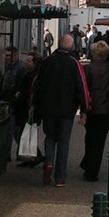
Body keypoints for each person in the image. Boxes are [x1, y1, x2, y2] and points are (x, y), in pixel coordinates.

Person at [31, 33, 89, 187]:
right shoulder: (74, 63)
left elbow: (36, 85)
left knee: (50, 137)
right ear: (71, 47)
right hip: (67, 110)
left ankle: (49, 162)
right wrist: (84, 109)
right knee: (64, 142)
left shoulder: (47, 61)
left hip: (47, 108)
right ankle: (60, 177)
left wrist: (34, 105)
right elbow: (82, 87)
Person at [79, 40, 109, 181]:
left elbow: (83, 89)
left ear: (93, 53)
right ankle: (92, 170)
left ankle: (89, 167)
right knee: (99, 139)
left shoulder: (88, 69)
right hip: (106, 109)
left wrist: (83, 108)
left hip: (91, 108)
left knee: (90, 138)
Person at [0, 45, 28, 159]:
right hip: (7, 101)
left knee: (12, 129)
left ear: (16, 56)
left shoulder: (20, 68)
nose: (7, 57)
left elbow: (19, 85)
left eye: (9, 56)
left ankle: (18, 152)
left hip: (14, 103)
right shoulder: (10, 67)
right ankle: (20, 152)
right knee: (12, 129)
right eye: (6, 55)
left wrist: (15, 98)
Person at [15, 50, 44, 167]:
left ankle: (35, 156)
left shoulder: (37, 76)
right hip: (25, 107)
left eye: (29, 61)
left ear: (35, 63)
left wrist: (32, 105)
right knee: (25, 131)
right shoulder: (29, 74)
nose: (26, 62)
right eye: (26, 60)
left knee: (27, 131)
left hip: (30, 108)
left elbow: (33, 92)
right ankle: (32, 156)